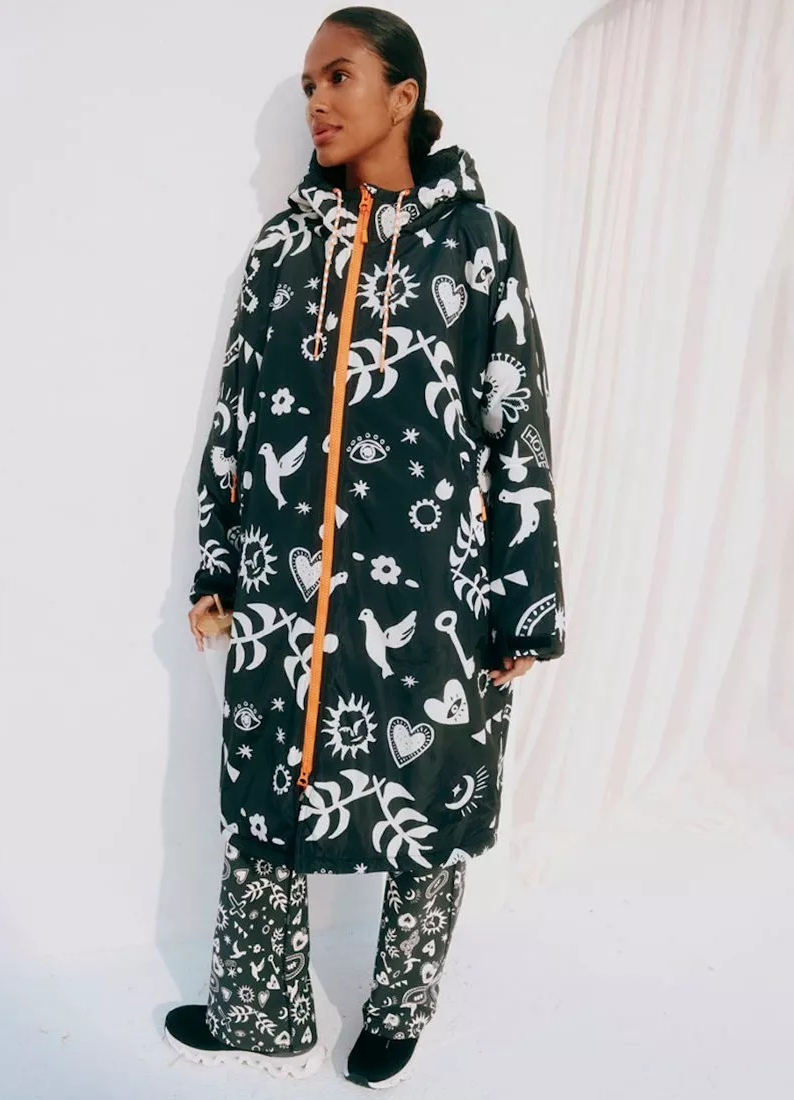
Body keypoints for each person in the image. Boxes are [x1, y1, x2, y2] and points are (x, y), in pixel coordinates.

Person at [164, 4, 566, 1089]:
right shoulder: (282, 248)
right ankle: (260, 1007)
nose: (317, 102)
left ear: (404, 95)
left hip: (431, 588)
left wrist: (524, 599)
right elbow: (238, 416)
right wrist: (217, 560)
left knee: (430, 788)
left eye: (338, 76)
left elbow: (516, 423)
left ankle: (398, 1007)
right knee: (267, 783)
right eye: (308, 85)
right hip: (287, 586)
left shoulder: (479, 244)